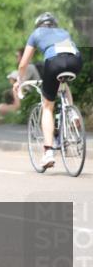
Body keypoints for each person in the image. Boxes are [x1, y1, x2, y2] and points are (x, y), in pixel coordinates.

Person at [18, 12, 83, 170]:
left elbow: (23, 64)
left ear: (39, 24)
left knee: (47, 106)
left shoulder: (36, 33)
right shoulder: (63, 32)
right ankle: (72, 113)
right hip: (76, 61)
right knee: (63, 83)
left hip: (54, 62)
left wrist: (19, 81)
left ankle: (48, 153)